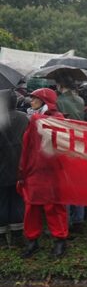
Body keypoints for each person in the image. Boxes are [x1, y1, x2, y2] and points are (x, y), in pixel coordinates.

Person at [18, 88, 69, 259]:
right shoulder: (33, 118)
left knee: (53, 206)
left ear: (44, 101)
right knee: (31, 206)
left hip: (51, 171)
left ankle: (60, 240)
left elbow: (61, 146)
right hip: (33, 170)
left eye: (34, 98)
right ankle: (32, 240)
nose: (31, 101)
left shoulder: (57, 119)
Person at [0, 90, 29, 243]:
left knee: (2, 200)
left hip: (2, 165)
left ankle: (2, 237)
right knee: (18, 199)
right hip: (19, 164)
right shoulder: (24, 118)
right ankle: (18, 235)